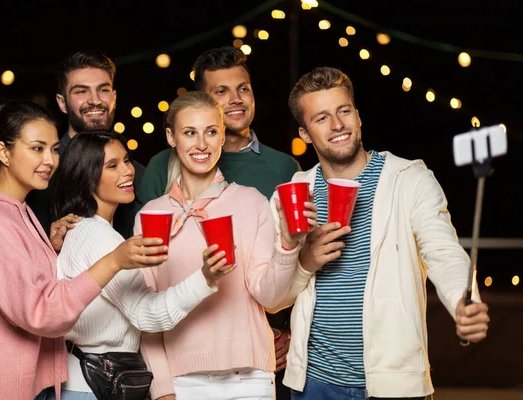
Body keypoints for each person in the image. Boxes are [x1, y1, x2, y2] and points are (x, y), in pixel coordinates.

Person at [269, 66, 490, 400]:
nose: (337, 125)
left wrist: (463, 300)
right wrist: (304, 261)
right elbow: (275, 300)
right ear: (304, 133)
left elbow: (443, 252)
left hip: (395, 385)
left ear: (357, 117)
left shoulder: (409, 179)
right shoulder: (293, 195)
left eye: (344, 111)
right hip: (314, 384)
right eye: (321, 118)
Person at [0, 99, 167, 400]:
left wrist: (46, 248)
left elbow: (19, 283)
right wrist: (113, 261)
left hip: (22, 385)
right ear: (3, 152)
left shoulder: (17, 213)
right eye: (37, 148)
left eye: (54, 149)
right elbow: (41, 312)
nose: (49, 160)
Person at [138, 46, 300, 397]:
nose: (201, 143)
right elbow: (143, 306)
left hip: (252, 376)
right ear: (172, 138)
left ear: (221, 134)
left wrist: (288, 244)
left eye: (211, 132)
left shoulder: (253, 200)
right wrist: (162, 387)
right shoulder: (151, 213)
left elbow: (269, 294)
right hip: (183, 379)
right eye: (190, 133)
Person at [50, 131, 233, 399]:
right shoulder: (95, 234)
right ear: (87, 178)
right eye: (112, 166)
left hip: (94, 382)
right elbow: (149, 314)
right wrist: (205, 277)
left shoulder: (88, 231)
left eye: (126, 161)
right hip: (93, 386)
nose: (127, 171)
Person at [0, 50, 142, 237]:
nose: (95, 100)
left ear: (114, 96)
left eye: (103, 90)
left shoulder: (135, 173)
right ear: (62, 102)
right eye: (81, 91)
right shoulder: (38, 162)